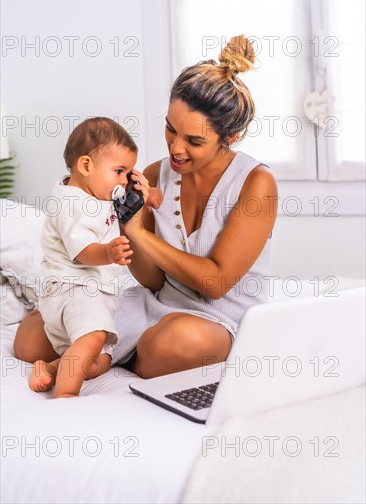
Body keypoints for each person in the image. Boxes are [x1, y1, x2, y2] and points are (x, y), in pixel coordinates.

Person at [14, 34, 278, 383]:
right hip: (153, 302)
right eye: (171, 129)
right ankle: (114, 353)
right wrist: (125, 229)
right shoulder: (154, 176)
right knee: (31, 339)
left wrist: (138, 232)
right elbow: (152, 279)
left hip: (217, 318)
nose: (176, 148)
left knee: (173, 343)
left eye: (194, 141)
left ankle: (112, 353)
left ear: (229, 137)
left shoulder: (256, 184)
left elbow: (214, 283)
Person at [29, 117, 158, 398]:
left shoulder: (96, 194)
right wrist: (108, 252)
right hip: (72, 289)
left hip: (91, 293)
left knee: (99, 361)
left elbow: (121, 206)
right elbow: (83, 251)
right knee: (94, 337)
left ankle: (51, 369)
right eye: (119, 172)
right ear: (86, 165)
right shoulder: (72, 203)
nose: (123, 181)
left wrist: (150, 197)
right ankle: (65, 396)